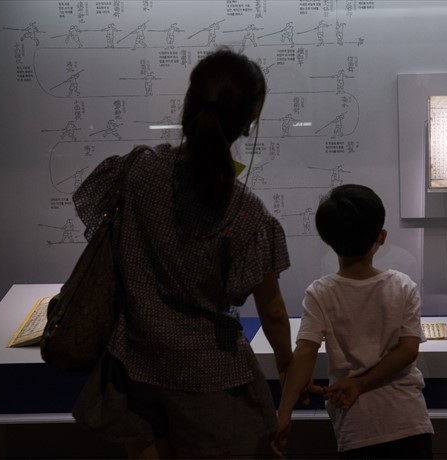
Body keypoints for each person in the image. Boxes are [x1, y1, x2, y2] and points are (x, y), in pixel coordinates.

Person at [71, 47, 293, 458]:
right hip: (209, 380)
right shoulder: (246, 213)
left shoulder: (136, 170)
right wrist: (288, 366)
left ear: (189, 104)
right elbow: (274, 312)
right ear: (249, 123)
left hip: (136, 363)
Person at [271, 184, 434, 459]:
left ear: (328, 240)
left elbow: (305, 351)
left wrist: (284, 412)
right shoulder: (403, 285)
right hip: (410, 421)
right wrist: (362, 383)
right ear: (381, 237)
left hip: (357, 428)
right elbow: (408, 350)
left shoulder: (320, 292)